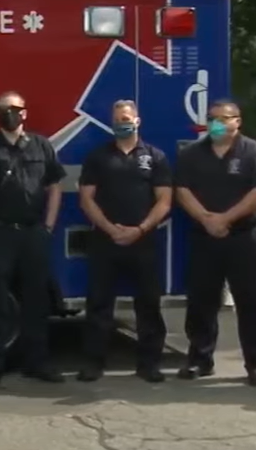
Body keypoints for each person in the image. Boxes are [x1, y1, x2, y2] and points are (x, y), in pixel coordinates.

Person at [0, 91, 66, 388]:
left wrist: (48, 225)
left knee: (36, 300)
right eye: (4, 109)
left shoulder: (41, 145)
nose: (10, 114)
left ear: (25, 112)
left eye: (15, 109)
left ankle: (38, 362)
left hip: (33, 233)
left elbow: (55, 184)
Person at [174, 99, 256, 387]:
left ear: (237, 122)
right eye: (212, 118)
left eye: (223, 118)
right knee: (201, 301)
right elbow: (182, 190)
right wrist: (206, 219)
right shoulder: (193, 154)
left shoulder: (253, 152)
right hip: (205, 237)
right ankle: (199, 359)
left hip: (246, 237)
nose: (217, 123)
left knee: (253, 301)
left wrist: (225, 219)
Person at [76, 100, 171, 383]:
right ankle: (93, 363)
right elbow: (86, 198)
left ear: (138, 121)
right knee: (99, 305)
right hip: (105, 242)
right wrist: (109, 228)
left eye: (127, 118)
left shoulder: (155, 157)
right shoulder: (98, 157)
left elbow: (165, 201)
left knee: (148, 305)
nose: (122, 123)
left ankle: (149, 364)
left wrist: (139, 229)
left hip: (143, 241)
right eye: (117, 119)